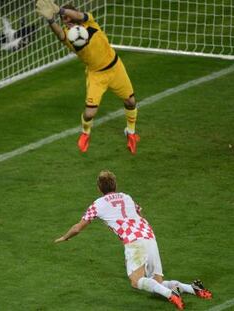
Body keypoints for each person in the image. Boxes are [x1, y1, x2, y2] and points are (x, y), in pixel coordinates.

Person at [54, 170, 212, 310]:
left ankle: (171, 294)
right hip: (148, 234)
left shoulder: (98, 204)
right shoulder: (126, 197)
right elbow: (140, 213)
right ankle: (193, 288)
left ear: (99, 188)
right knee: (156, 281)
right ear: (115, 185)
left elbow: (77, 228)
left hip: (133, 241)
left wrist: (64, 237)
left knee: (135, 281)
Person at [36, 0, 140, 154]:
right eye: (64, 20)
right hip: (96, 75)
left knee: (130, 101)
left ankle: (130, 132)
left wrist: (59, 10)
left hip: (115, 67)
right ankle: (85, 133)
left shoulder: (89, 22)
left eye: (67, 18)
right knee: (89, 113)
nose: (66, 21)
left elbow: (78, 15)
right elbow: (59, 34)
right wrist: (51, 20)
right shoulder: (69, 36)